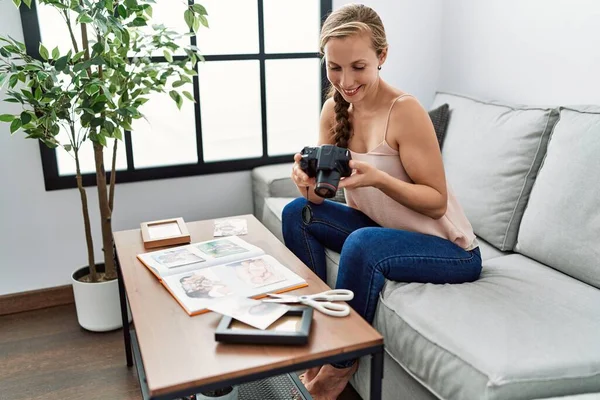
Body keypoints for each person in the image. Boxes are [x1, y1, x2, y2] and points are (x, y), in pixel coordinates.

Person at [281, 4, 482, 400]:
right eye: (334, 68)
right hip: (382, 232)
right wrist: (303, 181)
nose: (345, 80)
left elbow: (437, 202)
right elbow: (318, 198)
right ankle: (314, 334)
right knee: (296, 213)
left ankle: (341, 365)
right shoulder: (333, 110)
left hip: (449, 249)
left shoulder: (404, 111)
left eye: (358, 66)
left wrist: (381, 179)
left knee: (362, 244)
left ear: (382, 57)